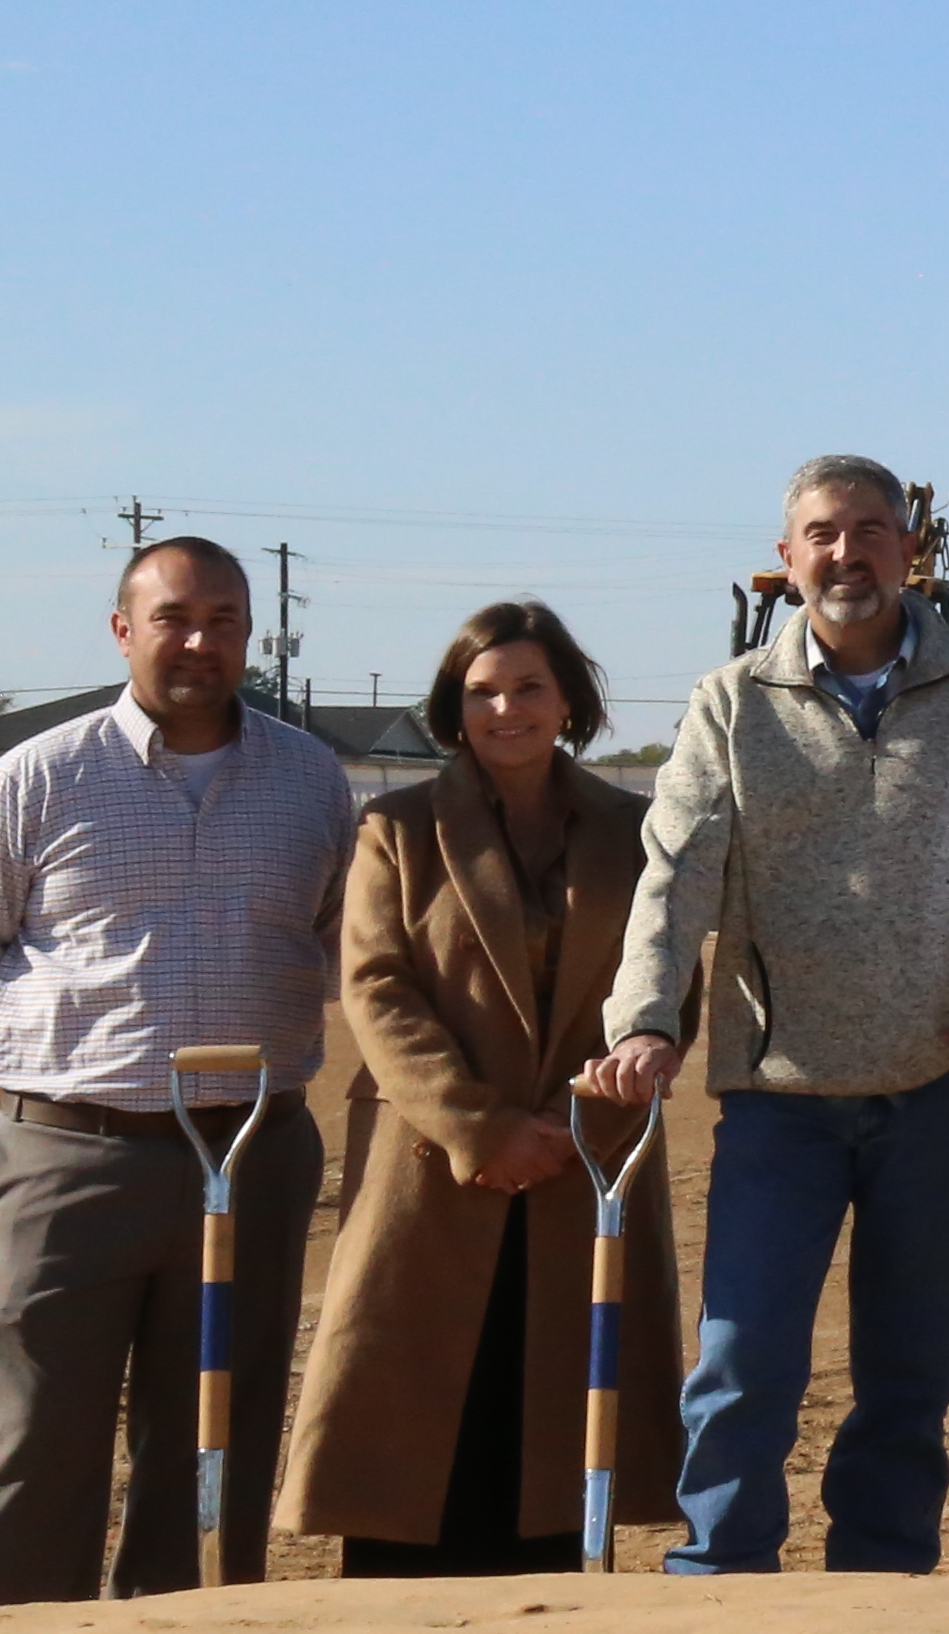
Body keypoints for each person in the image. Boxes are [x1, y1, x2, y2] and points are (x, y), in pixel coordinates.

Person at [593, 457, 949, 1576]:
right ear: (787, 554)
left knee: (913, 1366)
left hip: (942, 1084)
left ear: (912, 551)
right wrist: (644, 1020)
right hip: (780, 1095)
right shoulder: (731, 701)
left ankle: (885, 1584)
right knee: (744, 1362)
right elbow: (676, 871)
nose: (846, 554)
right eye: (822, 534)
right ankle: (719, 1579)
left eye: (869, 532)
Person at [0, 534, 359, 1599]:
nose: (199, 641)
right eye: (173, 618)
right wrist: (84, 1050)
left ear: (251, 634)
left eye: (222, 621)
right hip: (72, 1158)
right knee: (36, 1440)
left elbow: (340, 940)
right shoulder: (38, 777)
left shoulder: (309, 780)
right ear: (123, 630)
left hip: (252, 1154)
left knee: (219, 1432)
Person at [279, 603, 674, 1578]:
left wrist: (579, 1122)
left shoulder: (636, 831)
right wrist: (483, 1128)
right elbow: (375, 987)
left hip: (584, 1163)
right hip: (434, 1166)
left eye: (529, 686)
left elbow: (663, 990)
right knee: (410, 1418)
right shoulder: (398, 830)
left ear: (568, 701)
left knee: (558, 1420)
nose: (507, 708)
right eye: (483, 690)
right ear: (455, 707)